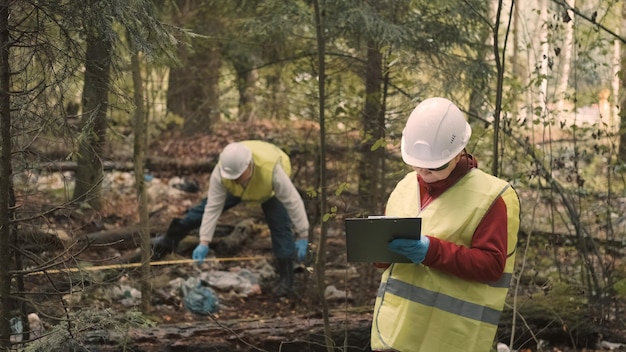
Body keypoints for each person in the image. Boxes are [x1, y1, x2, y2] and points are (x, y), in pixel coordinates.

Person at [370, 97, 520, 352]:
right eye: (416, 163)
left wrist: (431, 251)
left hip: (451, 339)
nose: (423, 172)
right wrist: (379, 251)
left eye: (434, 166)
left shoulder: (492, 197)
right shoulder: (405, 186)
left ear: (459, 151)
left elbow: (493, 266)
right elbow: (386, 264)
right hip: (394, 333)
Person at [153, 140, 310, 297]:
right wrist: (204, 241)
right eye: (232, 176)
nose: (235, 179)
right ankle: (168, 241)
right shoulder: (221, 173)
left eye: (239, 176)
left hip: (268, 190)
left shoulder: (273, 171)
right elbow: (213, 207)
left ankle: (286, 280)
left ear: (249, 165)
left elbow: (293, 201)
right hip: (237, 192)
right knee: (200, 211)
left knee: (279, 226)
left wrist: (303, 235)